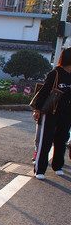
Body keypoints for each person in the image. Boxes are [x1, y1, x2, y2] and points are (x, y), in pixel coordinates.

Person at [32, 47, 71, 179]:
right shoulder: (55, 74)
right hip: (51, 111)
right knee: (46, 140)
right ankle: (40, 169)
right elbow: (43, 92)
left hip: (67, 112)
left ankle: (57, 165)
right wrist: (37, 109)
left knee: (62, 139)